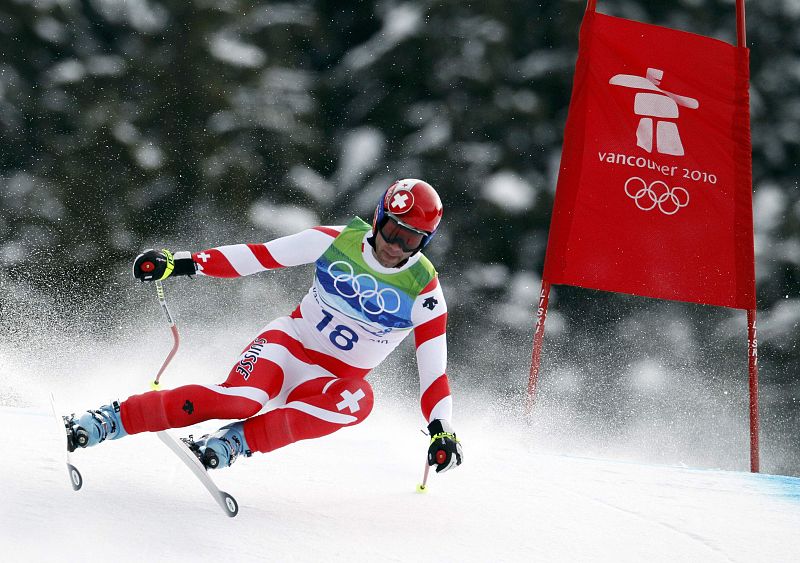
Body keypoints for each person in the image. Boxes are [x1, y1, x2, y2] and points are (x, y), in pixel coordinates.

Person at [63, 179, 463, 475]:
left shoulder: (423, 291)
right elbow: (260, 256)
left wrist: (441, 429)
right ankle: (110, 419)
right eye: (392, 231)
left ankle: (236, 441)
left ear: (424, 242)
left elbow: (434, 372)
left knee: (359, 401)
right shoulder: (337, 241)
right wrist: (183, 262)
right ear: (378, 219)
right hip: (288, 344)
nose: (395, 246)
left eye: (410, 240)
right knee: (240, 401)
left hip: (328, 382)